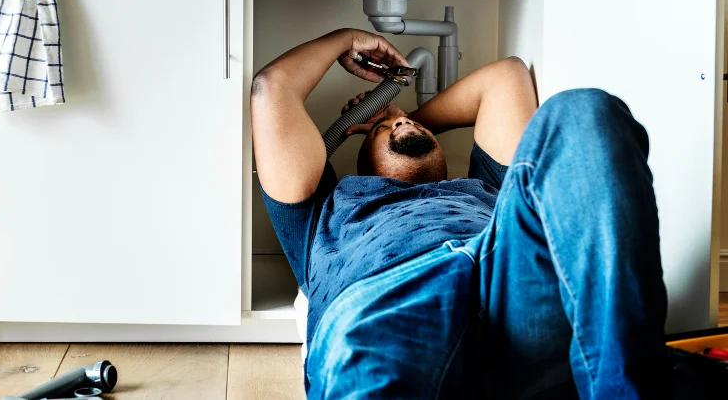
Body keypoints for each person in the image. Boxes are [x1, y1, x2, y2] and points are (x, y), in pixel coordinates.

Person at [250, 28, 667, 400]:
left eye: (403, 127)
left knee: (583, 112)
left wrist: (398, 117)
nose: (398, 129)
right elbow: (272, 89)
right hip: (388, 298)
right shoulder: (326, 208)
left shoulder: (485, 185)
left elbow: (507, 76)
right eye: (381, 133)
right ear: (361, 162)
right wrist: (344, 39)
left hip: (506, 272)